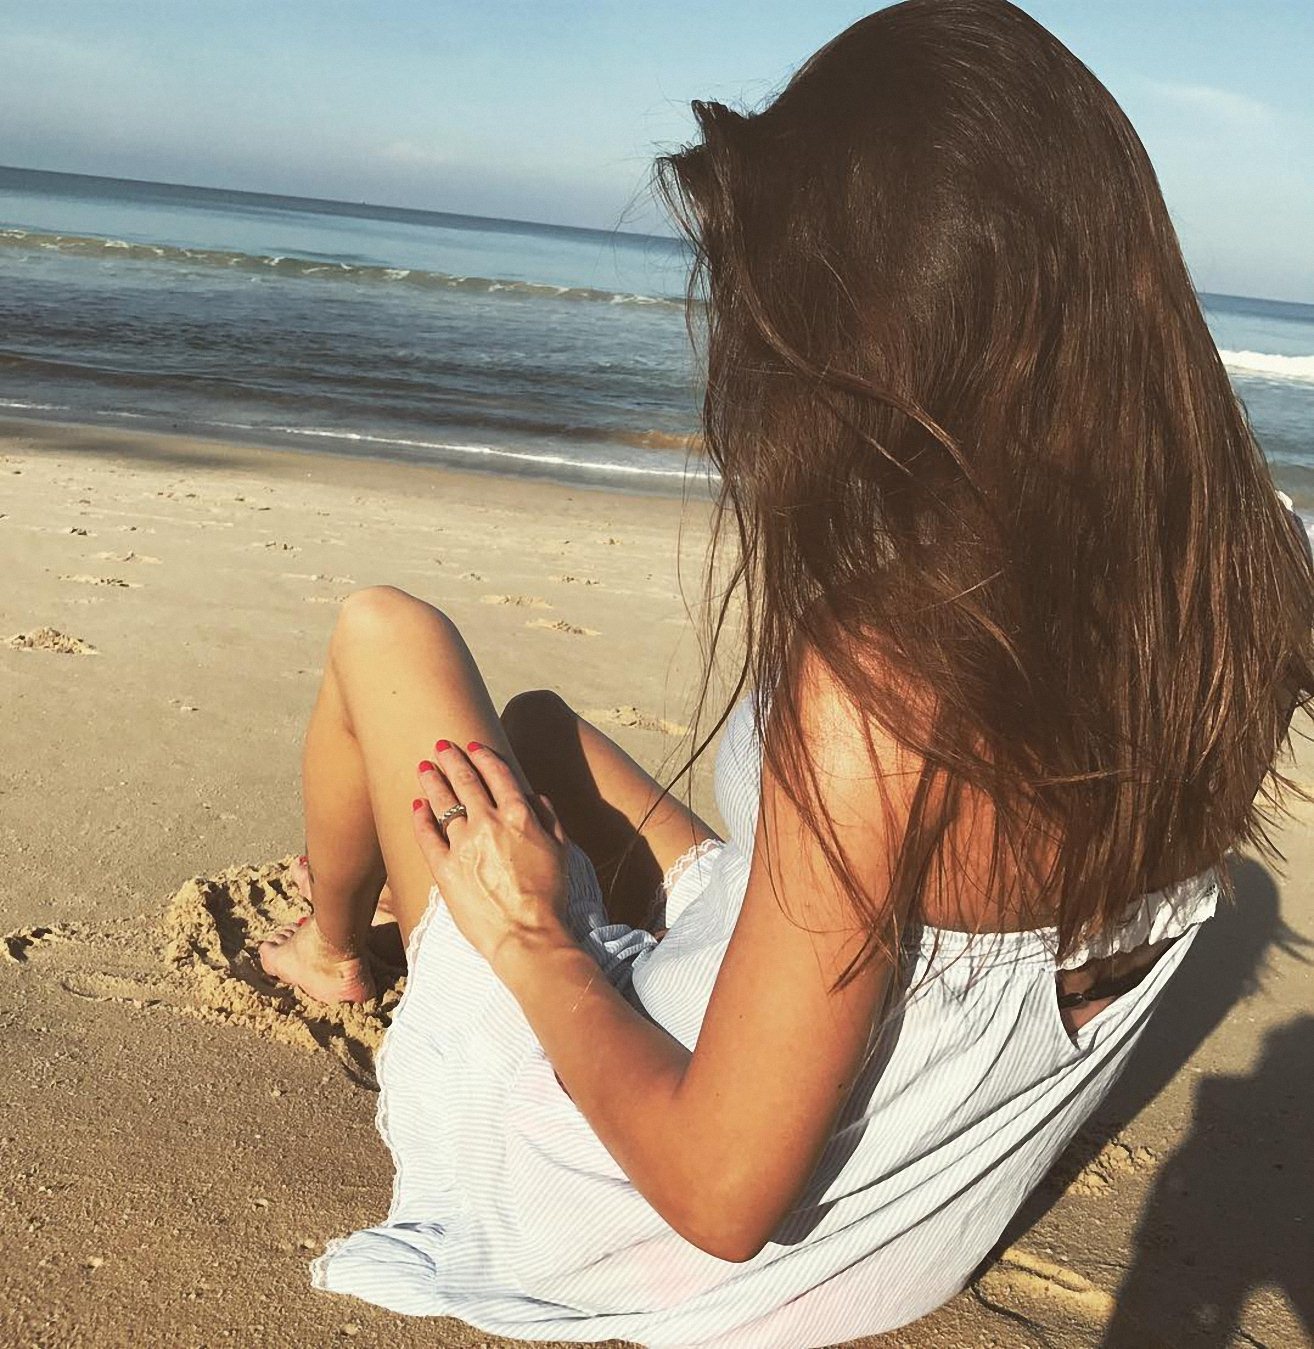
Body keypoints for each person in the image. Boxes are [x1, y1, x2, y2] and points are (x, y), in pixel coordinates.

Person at [255, 1, 1314, 1344]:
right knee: (535, 731)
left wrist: (533, 940)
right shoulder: (1244, 564)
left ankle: (330, 949)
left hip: (636, 1210)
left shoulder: (882, 686)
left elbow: (719, 1194)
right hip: (907, 1210)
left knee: (384, 632)